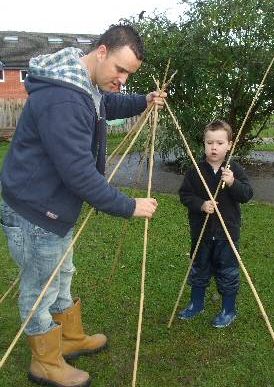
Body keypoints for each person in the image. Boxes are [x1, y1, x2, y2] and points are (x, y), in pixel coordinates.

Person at [0, 25, 166, 387]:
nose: (122, 80)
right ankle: (44, 362)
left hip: (52, 206)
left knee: (61, 274)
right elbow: (78, 174)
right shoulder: (63, 99)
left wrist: (143, 99)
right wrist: (128, 205)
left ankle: (70, 337)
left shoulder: (85, 84)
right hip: (35, 209)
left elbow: (108, 102)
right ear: (102, 51)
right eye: (120, 70)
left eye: (129, 75)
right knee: (39, 287)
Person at [178, 120, 253, 328]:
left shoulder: (233, 170)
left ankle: (229, 309)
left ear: (229, 145)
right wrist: (201, 205)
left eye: (219, 143)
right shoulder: (196, 171)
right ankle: (196, 303)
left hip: (227, 233)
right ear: (204, 144)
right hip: (201, 233)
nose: (214, 147)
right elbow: (184, 195)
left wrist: (232, 183)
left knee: (227, 271)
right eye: (209, 142)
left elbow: (247, 194)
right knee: (199, 268)